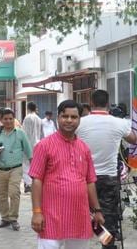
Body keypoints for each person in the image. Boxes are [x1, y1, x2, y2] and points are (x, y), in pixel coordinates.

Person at [29, 100, 105, 249]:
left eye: (74, 117)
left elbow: (89, 181)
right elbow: (36, 180)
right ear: (58, 117)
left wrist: (97, 210)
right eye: (65, 116)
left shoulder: (84, 148)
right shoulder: (44, 146)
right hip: (51, 217)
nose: (69, 120)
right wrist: (37, 212)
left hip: (79, 216)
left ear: (79, 119)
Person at [76, 90, 137, 249]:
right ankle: (107, 243)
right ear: (108, 102)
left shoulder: (80, 122)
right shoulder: (119, 123)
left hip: (84, 177)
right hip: (109, 177)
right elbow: (134, 139)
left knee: (85, 213)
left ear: (91, 102)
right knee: (109, 216)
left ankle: (92, 236)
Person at [0, 108, 32, 230]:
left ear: (14, 119)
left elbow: (29, 151)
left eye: (10, 119)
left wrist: (34, 166)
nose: (8, 121)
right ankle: (5, 218)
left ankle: (13, 218)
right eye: (5, 119)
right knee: (1, 195)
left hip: (15, 169)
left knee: (14, 193)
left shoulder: (20, 133)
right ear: (1, 120)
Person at [23, 102, 43, 193]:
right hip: (38, 144)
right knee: (35, 165)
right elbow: (42, 134)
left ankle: (28, 184)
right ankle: (35, 183)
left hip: (29, 144)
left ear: (28, 108)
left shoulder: (27, 118)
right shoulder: (39, 119)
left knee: (26, 164)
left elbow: (25, 133)